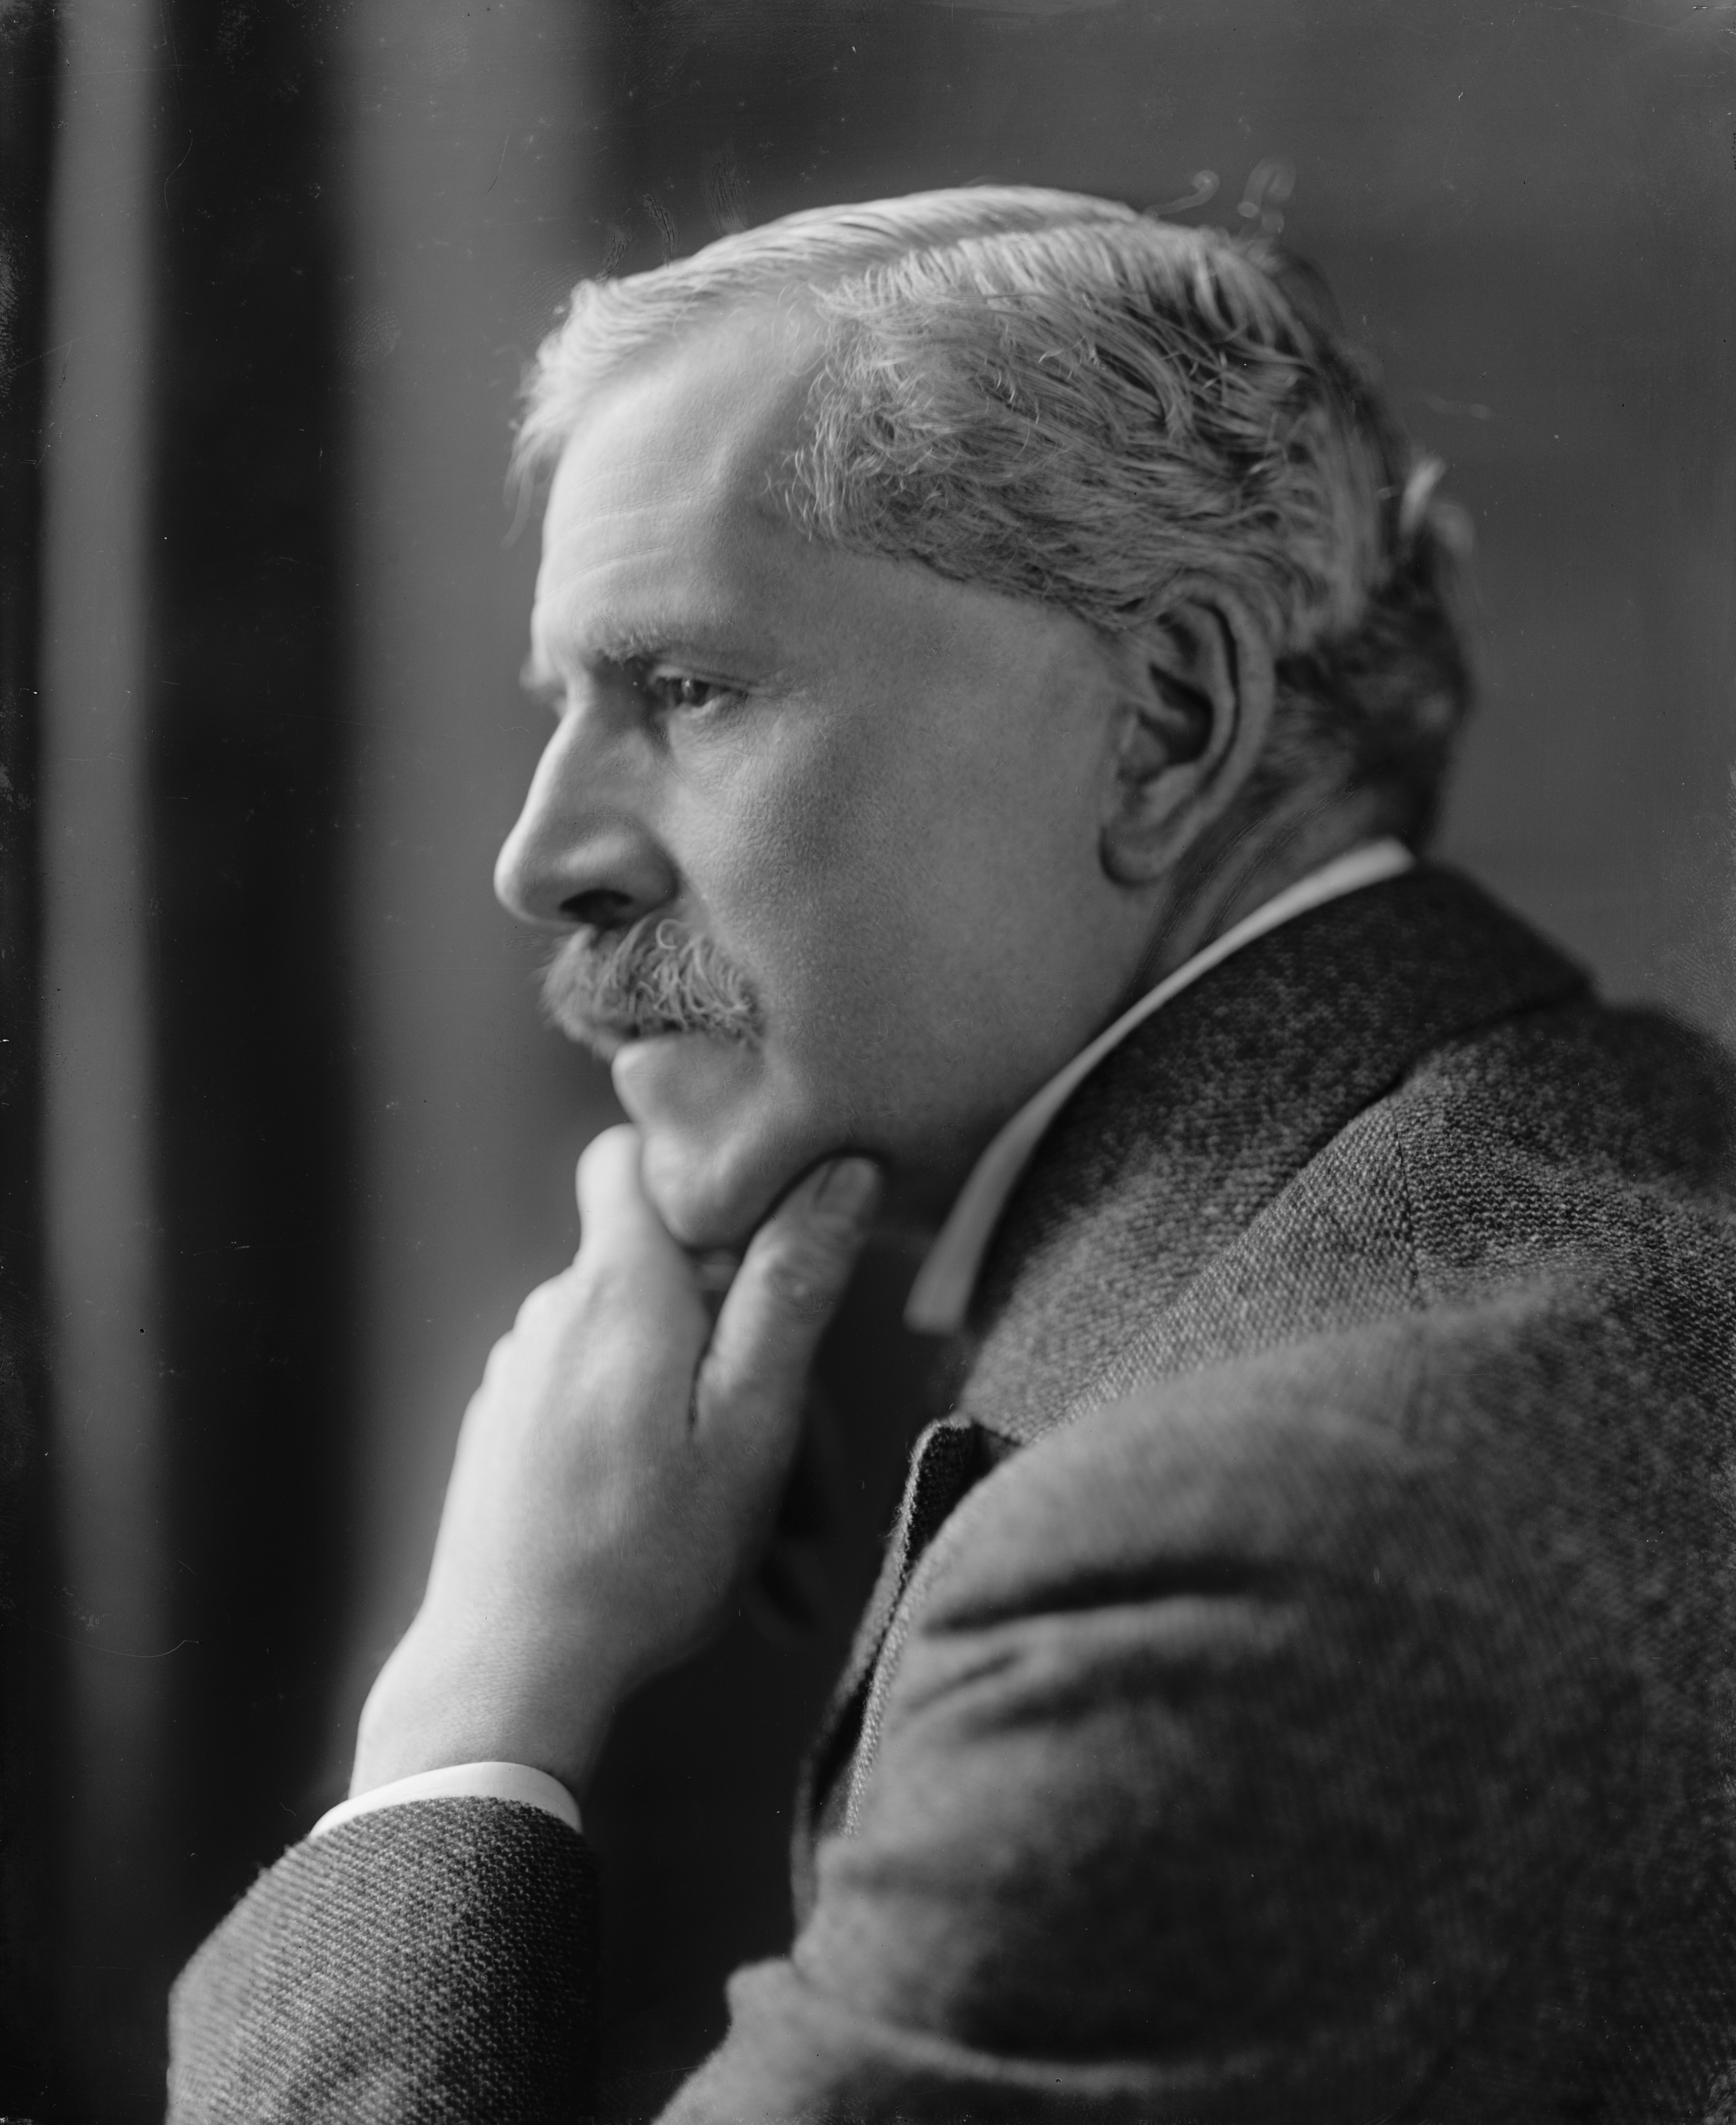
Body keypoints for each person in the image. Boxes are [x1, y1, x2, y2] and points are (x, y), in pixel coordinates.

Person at [167, 188, 1736, 2121]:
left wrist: (471, 1708)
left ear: (1165, 724)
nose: (539, 855)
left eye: (685, 689)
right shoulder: (1604, 1156)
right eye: (561, 712)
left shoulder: (1240, 1559)